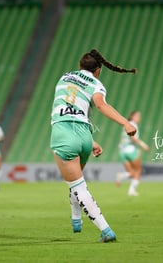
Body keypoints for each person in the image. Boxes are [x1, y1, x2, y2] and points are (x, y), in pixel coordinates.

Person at [50, 49, 137, 243]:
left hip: (64, 132)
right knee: (75, 181)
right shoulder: (96, 83)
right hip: (84, 135)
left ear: (80, 65)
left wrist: (125, 123)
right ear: (98, 70)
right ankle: (76, 219)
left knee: (77, 185)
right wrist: (124, 123)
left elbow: (70, 107)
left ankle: (105, 230)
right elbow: (100, 105)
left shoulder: (65, 77)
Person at [116, 111, 149, 196]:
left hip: (122, 150)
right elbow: (133, 138)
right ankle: (131, 191)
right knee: (138, 170)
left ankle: (121, 176)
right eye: (137, 116)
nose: (139, 118)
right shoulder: (133, 125)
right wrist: (143, 145)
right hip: (129, 149)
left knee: (131, 173)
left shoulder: (126, 124)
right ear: (132, 116)